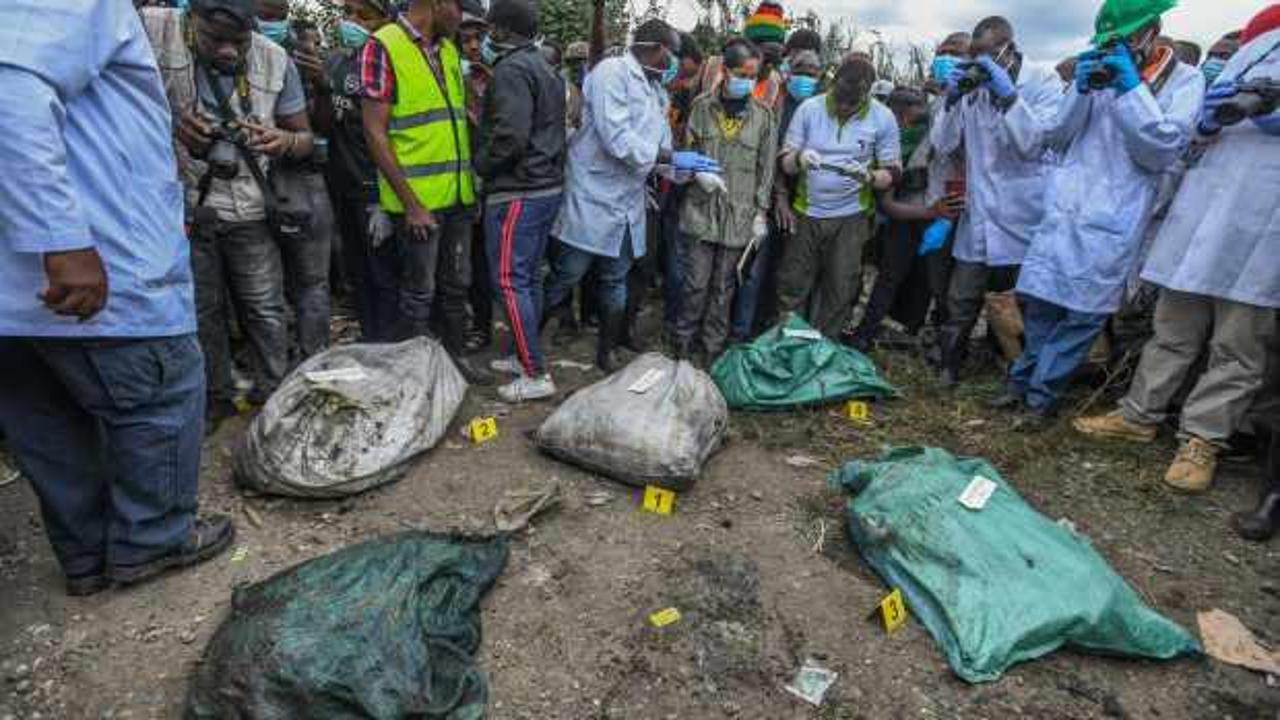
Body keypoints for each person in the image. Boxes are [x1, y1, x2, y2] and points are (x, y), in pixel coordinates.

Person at [0, 0, 234, 596]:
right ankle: (151, 540)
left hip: (18, 296)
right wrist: (60, 239)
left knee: (49, 420)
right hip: (97, 272)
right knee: (159, 397)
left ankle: (84, 555)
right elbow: (13, 91)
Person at [1075, 7, 1279, 491]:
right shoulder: (1254, 48)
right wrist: (1207, 123)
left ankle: (1202, 440)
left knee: (1238, 344)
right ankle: (1139, 414)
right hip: (1205, 206)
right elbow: (1191, 138)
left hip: (1263, 219)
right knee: (1172, 327)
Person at [995, 0, 1203, 428]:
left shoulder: (1185, 81)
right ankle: (1019, 382)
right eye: (1110, 41)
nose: (1117, 48)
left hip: (1117, 217)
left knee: (1082, 317)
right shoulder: (1096, 70)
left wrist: (1130, 91)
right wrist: (1081, 92)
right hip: (1065, 209)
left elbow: (1161, 149)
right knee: (1041, 305)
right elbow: (1055, 136)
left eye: (1124, 38)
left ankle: (1040, 398)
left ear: (1151, 30)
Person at [142, 0, 315, 426]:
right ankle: (214, 397)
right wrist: (171, 124)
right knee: (201, 311)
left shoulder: (274, 58)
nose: (227, 52)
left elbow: (306, 138)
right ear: (190, 19)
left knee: (265, 308)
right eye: (214, 39)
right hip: (178, 210)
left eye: (237, 42)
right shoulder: (151, 31)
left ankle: (276, 394)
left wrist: (282, 141)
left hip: (250, 208)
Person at [545, 19, 719, 372]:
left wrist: (688, 172)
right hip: (593, 194)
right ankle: (528, 342)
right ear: (655, 47)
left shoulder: (657, 91)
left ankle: (606, 351)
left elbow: (659, 149)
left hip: (628, 199)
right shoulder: (612, 73)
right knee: (568, 274)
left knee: (615, 277)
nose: (672, 64)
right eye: (670, 54)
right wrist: (670, 158)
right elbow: (617, 139)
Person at [360, 0, 492, 383]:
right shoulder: (383, 46)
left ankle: (454, 363)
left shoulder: (447, 50)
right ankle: (413, 377)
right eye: (461, 14)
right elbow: (374, 132)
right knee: (419, 293)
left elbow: (453, 121)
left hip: (458, 198)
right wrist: (412, 205)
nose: (465, 26)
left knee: (456, 287)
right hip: (419, 203)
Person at [930, 16, 1065, 386]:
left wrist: (1009, 98)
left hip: (1025, 212)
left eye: (989, 55)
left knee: (1019, 301)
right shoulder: (972, 85)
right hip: (980, 210)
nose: (982, 63)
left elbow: (1034, 144)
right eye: (976, 57)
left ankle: (1017, 368)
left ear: (1009, 49)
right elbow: (942, 145)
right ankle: (950, 362)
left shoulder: (1042, 81)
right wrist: (951, 100)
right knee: (961, 296)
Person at [475, 0, 567, 402]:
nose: (484, 35)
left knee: (511, 280)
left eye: (488, 28)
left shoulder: (512, 69)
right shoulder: (544, 66)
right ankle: (520, 353)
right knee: (527, 278)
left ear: (500, 30)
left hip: (519, 188)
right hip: (543, 186)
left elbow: (510, 137)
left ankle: (534, 373)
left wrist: (481, 166)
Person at [776, 55, 901, 339]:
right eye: (840, 101)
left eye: (852, 104)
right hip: (807, 211)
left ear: (867, 94)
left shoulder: (883, 117)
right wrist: (799, 159)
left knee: (840, 287)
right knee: (792, 284)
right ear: (833, 85)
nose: (844, 108)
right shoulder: (810, 109)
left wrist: (871, 177)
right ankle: (788, 343)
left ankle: (825, 347)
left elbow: (894, 171)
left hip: (852, 215)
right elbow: (784, 161)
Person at [673, 39, 778, 366]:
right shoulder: (702, 107)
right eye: (741, 73)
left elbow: (767, 168)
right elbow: (683, 155)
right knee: (695, 283)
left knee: (723, 287)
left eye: (753, 75)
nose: (747, 80)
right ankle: (682, 344)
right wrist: (694, 173)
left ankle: (711, 350)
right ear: (724, 70)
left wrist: (761, 212)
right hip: (701, 210)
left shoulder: (763, 116)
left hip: (740, 215)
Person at [847, 87, 966, 351]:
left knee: (929, 282)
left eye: (922, 121)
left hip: (933, 219)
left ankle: (908, 334)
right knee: (894, 278)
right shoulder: (887, 146)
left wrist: (943, 213)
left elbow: (959, 172)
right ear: (896, 117)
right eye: (912, 121)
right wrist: (934, 212)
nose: (916, 128)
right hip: (908, 220)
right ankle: (866, 334)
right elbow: (888, 205)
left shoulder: (942, 139)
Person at [317, 0, 398, 342]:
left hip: (378, 188)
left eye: (362, 15)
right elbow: (322, 125)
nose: (352, 21)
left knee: (385, 274)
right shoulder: (335, 61)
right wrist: (320, 89)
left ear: (384, 19)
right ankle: (370, 337)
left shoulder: (390, 61)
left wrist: (387, 197)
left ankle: (391, 343)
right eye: (348, 12)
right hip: (342, 184)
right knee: (358, 273)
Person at [732, 45, 823, 342]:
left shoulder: (822, 110)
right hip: (767, 200)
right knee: (757, 269)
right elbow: (768, 155)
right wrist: (778, 197)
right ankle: (741, 331)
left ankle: (776, 331)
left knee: (789, 273)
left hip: (805, 206)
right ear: (788, 73)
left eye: (812, 74)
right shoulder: (774, 105)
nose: (805, 79)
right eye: (800, 72)